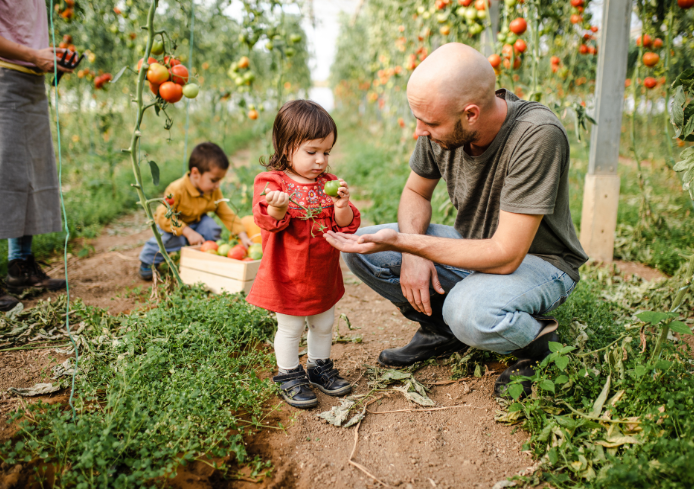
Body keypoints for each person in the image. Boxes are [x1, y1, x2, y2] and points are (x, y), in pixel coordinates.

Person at [324, 43, 588, 398]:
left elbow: (507, 254)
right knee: (364, 250)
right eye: (418, 118)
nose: (419, 130)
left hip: (539, 262)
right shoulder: (437, 126)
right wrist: (415, 256)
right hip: (475, 250)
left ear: (471, 114)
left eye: (430, 123)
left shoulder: (536, 134)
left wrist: (407, 243)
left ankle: (538, 347)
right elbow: (415, 193)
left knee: (468, 311)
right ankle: (440, 331)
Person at [246, 100, 360, 409]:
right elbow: (267, 220)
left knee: (323, 323)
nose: (321, 160)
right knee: (291, 328)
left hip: (322, 272)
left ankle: (318, 366)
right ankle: (289, 374)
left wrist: (341, 206)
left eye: (326, 152)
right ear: (286, 148)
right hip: (287, 274)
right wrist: (278, 206)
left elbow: (346, 225)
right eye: (312, 152)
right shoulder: (272, 184)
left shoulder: (328, 185)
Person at [0, 0, 75, 311]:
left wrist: (46, 58)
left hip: (30, 83)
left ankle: (21, 266)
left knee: (31, 175)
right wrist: (32, 55)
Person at [138, 142, 253, 280]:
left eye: (219, 181)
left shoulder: (213, 191)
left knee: (210, 227)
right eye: (214, 180)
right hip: (174, 227)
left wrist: (243, 235)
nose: (217, 186)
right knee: (165, 239)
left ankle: (205, 256)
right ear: (195, 173)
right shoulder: (176, 189)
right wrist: (187, 232)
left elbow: (226, 213)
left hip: (196, 223)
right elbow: (163, 216)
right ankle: (148, 261)